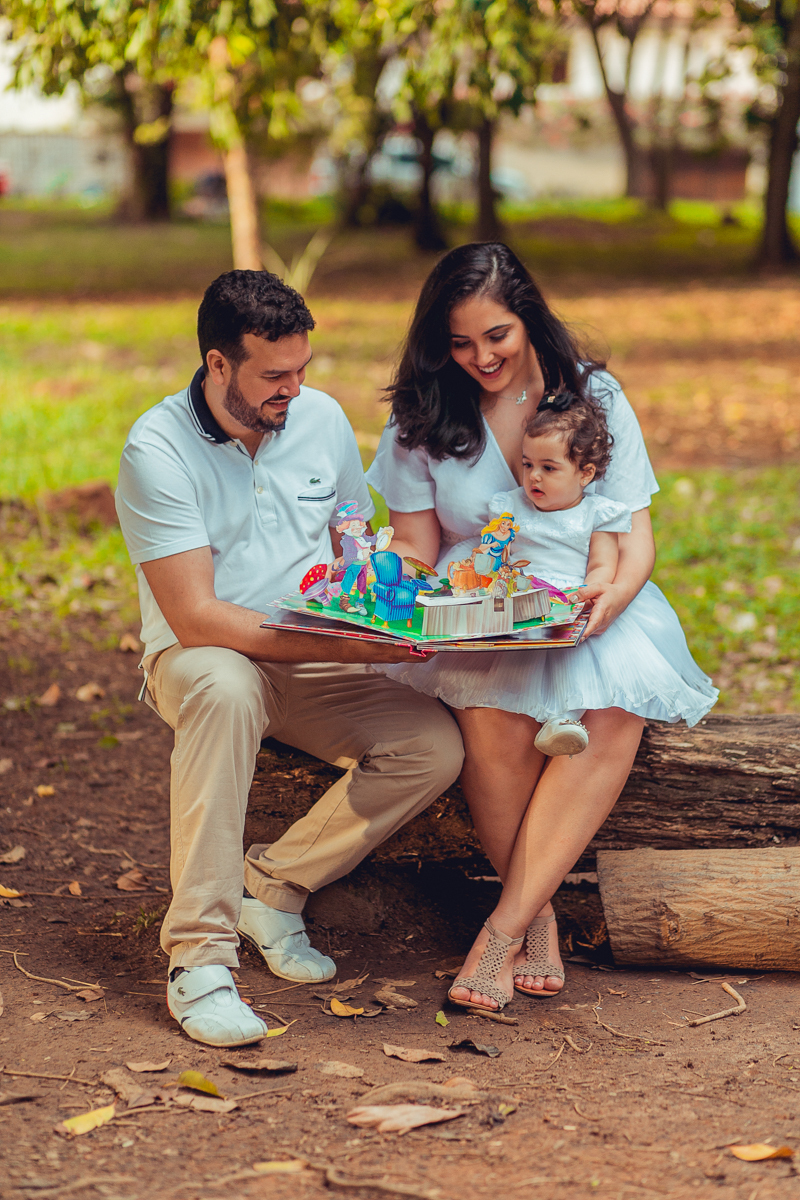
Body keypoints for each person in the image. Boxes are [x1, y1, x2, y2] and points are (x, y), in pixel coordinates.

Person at [115, 270, 463, 1048]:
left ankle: (273, 886)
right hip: (200, 657)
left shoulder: (322, 418)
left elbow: (352, 537)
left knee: (432, 745)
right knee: (229, 689)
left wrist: (386, 606)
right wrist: (331, 643)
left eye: (302, 369)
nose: (294, 389)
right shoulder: (156, 448)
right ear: (217, 365)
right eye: (275, 375)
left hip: (309, 652)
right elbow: (197, 615)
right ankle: (199, 958)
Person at [366, 242, 717, 1013]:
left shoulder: (591, 396)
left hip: (591, 592)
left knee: (612, 712)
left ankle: (500, 929)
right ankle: (537, 918)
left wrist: (607, 605)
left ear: (527, 317)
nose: (479, 357)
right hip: (482, 599)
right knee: (491, 727)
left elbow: (634, 534)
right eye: (459, 343)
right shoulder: (424, 409)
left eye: (495, 336)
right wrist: (390, 584)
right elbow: (417, 543)